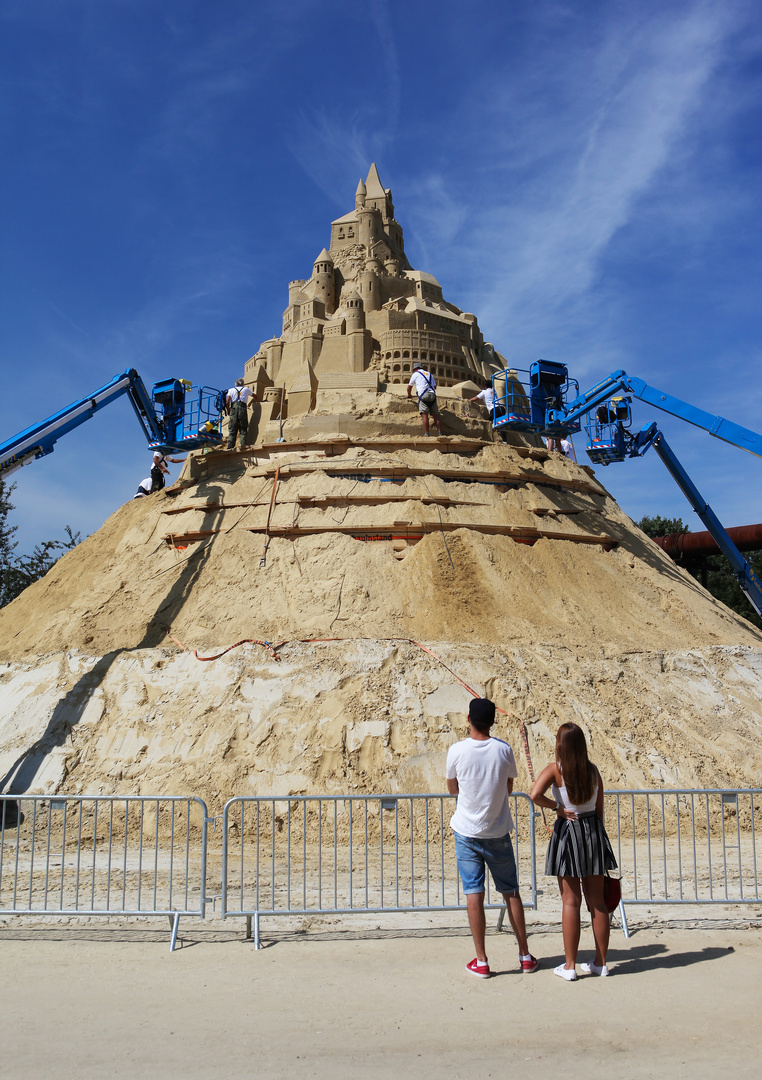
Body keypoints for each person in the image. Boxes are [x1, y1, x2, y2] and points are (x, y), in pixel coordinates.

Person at [446, 697, 538, 978]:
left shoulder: (457, 750)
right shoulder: (504, 750)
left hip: (467, 831)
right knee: (510, 892)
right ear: (492, 722)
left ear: (468, 719)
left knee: (474, 892)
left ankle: (482, 959)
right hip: (497, 830)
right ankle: (524, 955)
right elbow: (509, 787)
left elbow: (452, 789)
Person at [530, 722, 617, 981]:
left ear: (560, 744)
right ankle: (601, 963)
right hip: (591, 831)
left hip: (568, 831)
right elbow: (599, 809)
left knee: (571, 901)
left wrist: (556, 806)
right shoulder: (593, 771)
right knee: (597, 902)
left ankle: (569, 966)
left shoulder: (556, 770)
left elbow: (534, 794)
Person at [407, 363, 441, 436]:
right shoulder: (429, 374)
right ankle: (440, 432)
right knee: (436, 415)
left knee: (424, 415)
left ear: (415, 369)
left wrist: (409, 395)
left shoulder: (415, 374)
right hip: (432, 395)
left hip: (423, 395)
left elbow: (409, 387)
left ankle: (427, 433)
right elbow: (435, 387)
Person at [226, 378, 255, 450]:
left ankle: (230, 447)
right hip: (242, 410)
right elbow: (254, 396)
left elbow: (227, 401)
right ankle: (243, 445)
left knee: (232, 428)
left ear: (236, 384)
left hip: (234, 410)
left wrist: (228, 410)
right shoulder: (246, 389)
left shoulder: (231, 390)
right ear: (242, 384)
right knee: (243, 428)